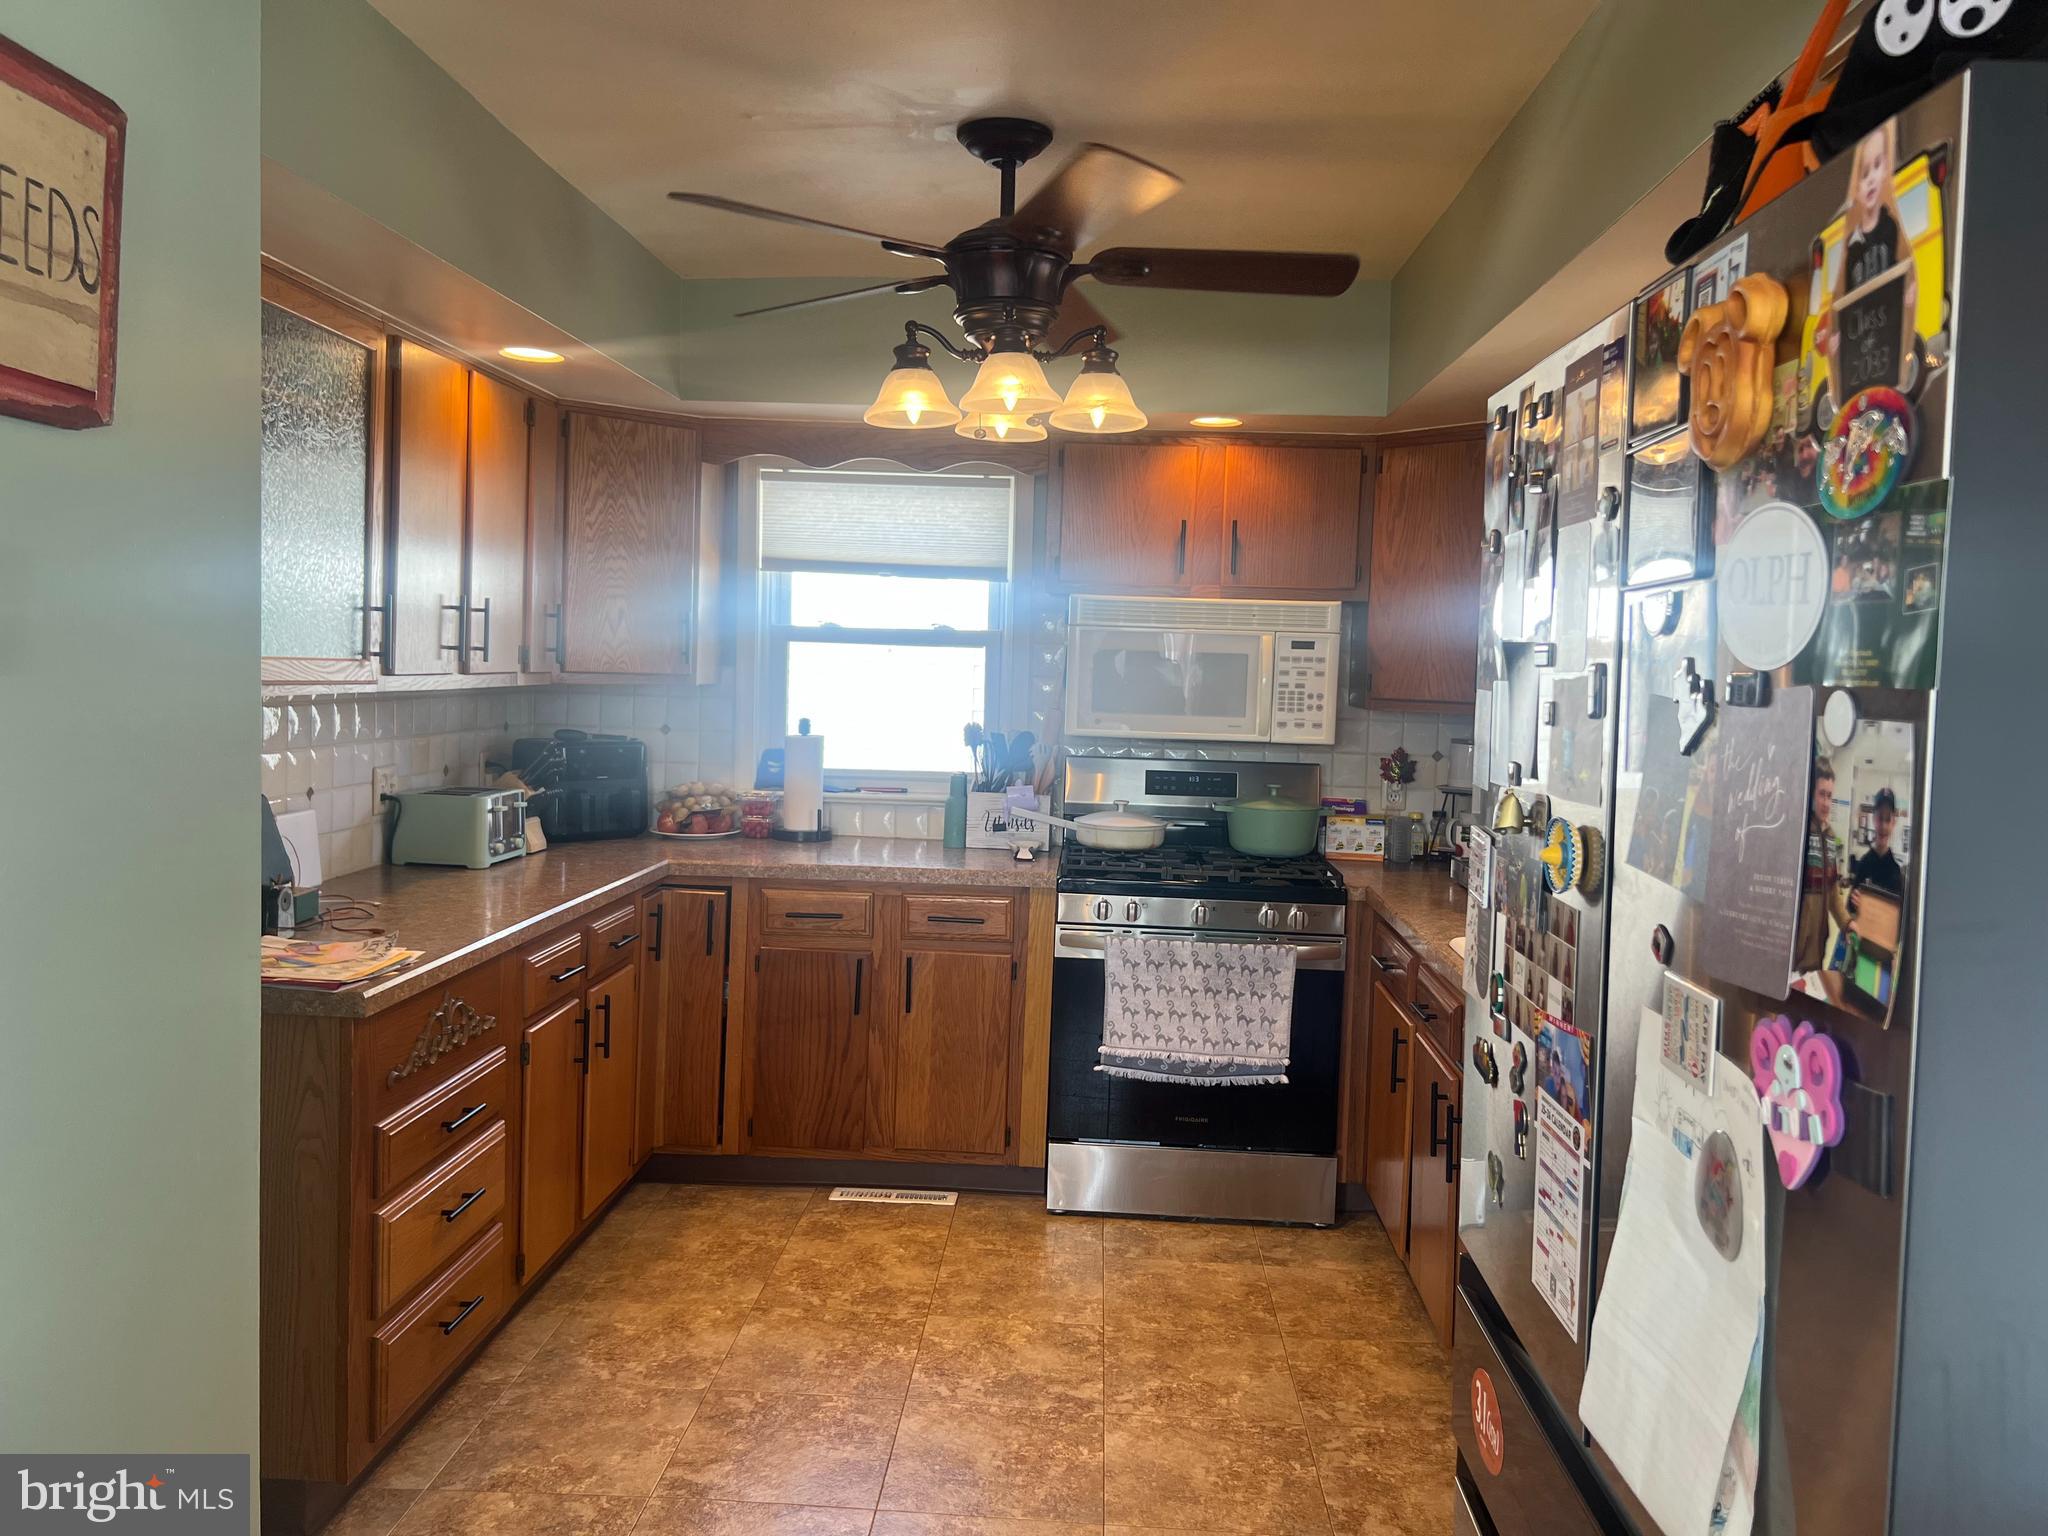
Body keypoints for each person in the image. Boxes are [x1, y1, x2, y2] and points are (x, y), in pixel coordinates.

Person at [1819, 122, 1918, 410]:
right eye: (1865, 173)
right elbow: (1840, 298)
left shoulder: (1890, 226)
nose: (1872, 178)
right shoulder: (1852, 243)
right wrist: (1834, 344)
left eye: (1878, 165)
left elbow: (1907, 270)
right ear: (1856, 184)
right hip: (1858, 361)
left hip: (1886, 351)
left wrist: (1908, 294)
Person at [1794, 757, 1852, 1005]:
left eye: (1830, 796)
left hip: (1817, 949)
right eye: (1822, 794)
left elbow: (1833, 894)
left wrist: (1847, 924)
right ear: (1811, 793)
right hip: (1793, 951)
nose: (1826, 802)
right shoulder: (1797, 833)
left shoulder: (1831, 838)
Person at [1850, 787, 1906, 898]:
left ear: (1893, 822)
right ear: (1874, 819)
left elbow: (1901, 911)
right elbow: (1850, 907)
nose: (1883, 826)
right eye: (1880, 818)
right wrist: (1854, 902)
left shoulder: (1896, 871)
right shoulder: (1864, 864)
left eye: (1887, 819)